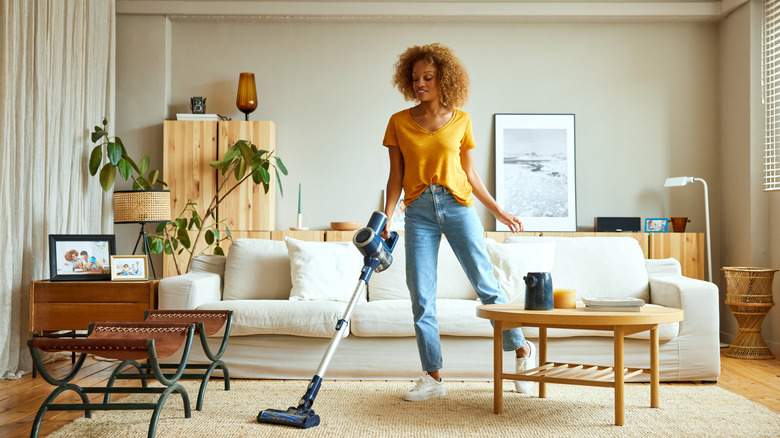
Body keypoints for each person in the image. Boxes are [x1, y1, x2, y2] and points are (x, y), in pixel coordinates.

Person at [380, 43, 536, 402]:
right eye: (416, 78)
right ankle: (433, 377)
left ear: (443, 79)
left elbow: (470, 174)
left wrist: (498, 211)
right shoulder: (398, 122)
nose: (420, 84)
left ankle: (522, 350)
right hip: (417, 211)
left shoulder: (462, 119)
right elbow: (395, 177)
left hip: (458, 207)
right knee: (420, 294)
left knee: (486, 283)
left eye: (428, 78)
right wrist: (386, 219)